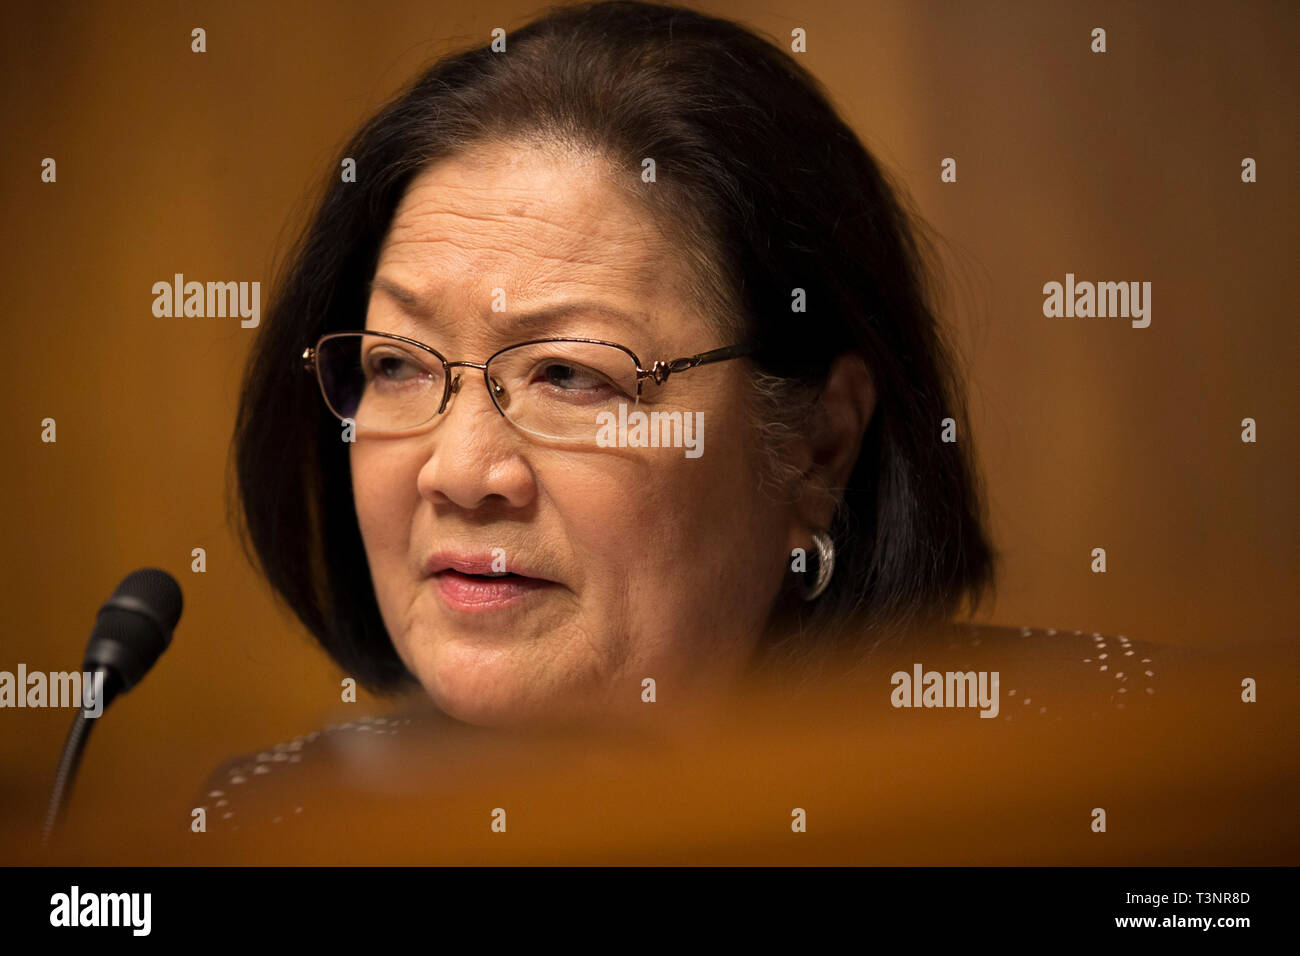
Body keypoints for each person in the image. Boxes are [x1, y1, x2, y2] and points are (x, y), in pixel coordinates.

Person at [218, 0, 1000, 788]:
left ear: (819, 448)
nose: (457, 472)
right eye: (398, 367)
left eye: (568, 375)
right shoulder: (264, 826)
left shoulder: (1050, 793)